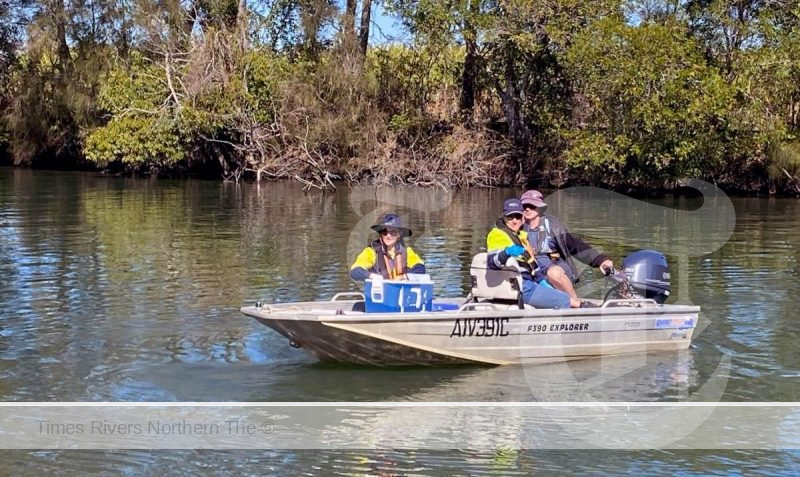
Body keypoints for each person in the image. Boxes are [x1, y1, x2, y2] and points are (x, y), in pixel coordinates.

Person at [486, 198, 585, 309]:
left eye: (517, 217)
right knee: (564, 300)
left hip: (527, 283)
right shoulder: (497, 235)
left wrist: (542, 281)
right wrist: (506, 252)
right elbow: (492, 262)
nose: (514, 221)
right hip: (520, 287)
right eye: (510, 217)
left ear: (522, 218)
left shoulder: (520, 236)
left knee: (558, 294)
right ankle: (582, 309)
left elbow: (532, 265)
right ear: (504, 216)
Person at [520, 189, 613, 302]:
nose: (527, 209)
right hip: (531, 269)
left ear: (539, 208)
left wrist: (600, 260)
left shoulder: (553, 225)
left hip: (556, 266)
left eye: (531, 205)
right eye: (524, 206)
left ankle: (575, 303)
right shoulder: (517, 224)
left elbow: (575, 245)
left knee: (553, 273)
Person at [350, 213, 426, 281]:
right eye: (385, 232)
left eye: (393, 232)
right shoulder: (370, 251)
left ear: (399, 235)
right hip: (378, 293)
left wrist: (404, 277)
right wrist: (372, 276)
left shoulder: (407, 251)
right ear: (381, 234)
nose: (388, 236)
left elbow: (420, 268)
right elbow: (355, 271)